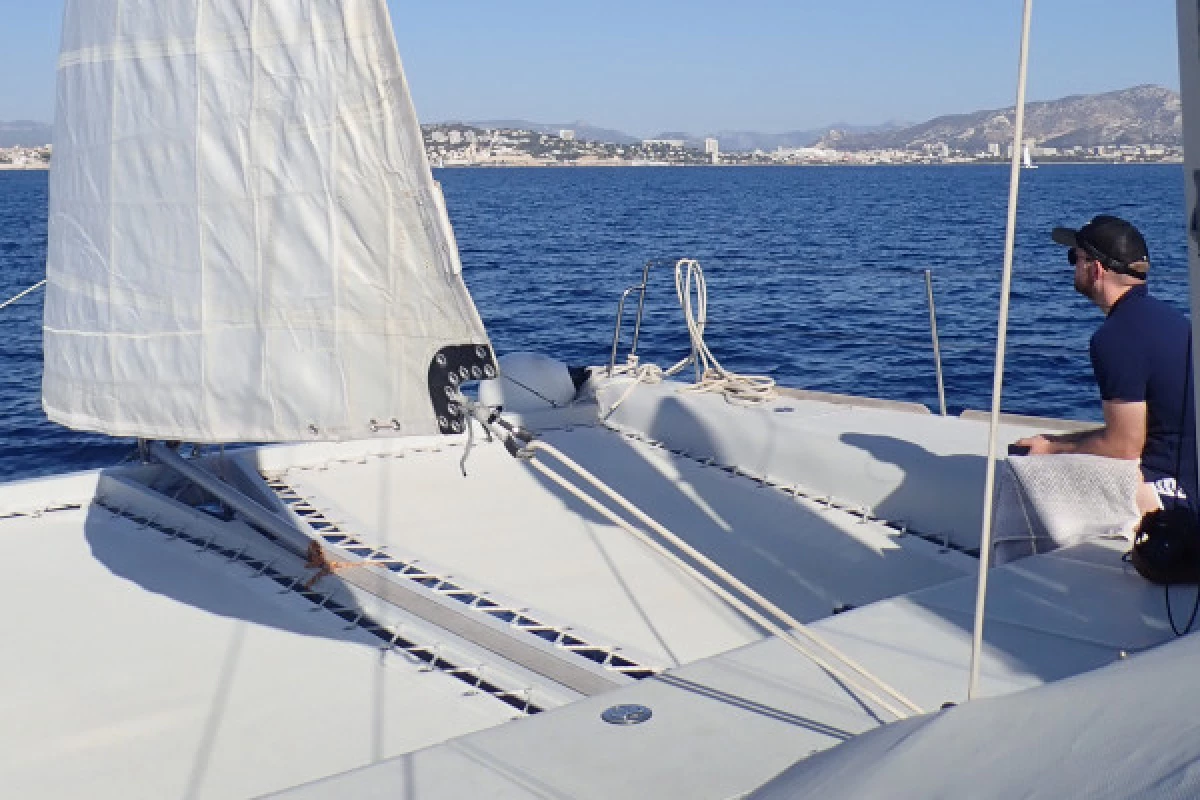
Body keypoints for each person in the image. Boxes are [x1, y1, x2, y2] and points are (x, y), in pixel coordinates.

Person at [1013, 214, 1196, 513]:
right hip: (1190, 475)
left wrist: (1050, 449)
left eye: (1076, 257)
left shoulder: (1115, 337)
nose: (1073, 265)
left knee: (1024, 471)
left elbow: (1122, 447)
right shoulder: (1172, 320)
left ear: (1095, 269)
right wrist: (1059, 441)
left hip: (1174, 493)